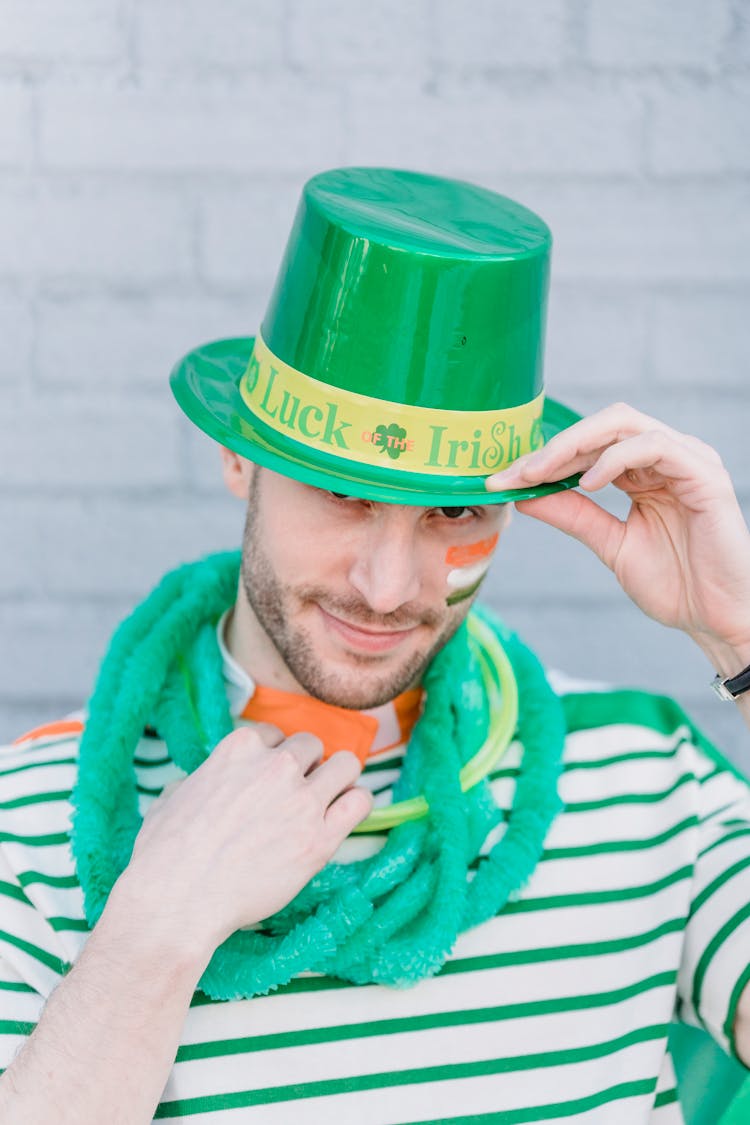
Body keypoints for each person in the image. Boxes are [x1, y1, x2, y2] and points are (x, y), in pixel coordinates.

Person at [0, 167, 749, 1124]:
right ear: (241, 453)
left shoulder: (646, 774)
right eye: (345, 495)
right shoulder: (34, 825)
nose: (389, 587)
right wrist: (154, 930)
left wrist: (738, 628)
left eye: (453, 509)